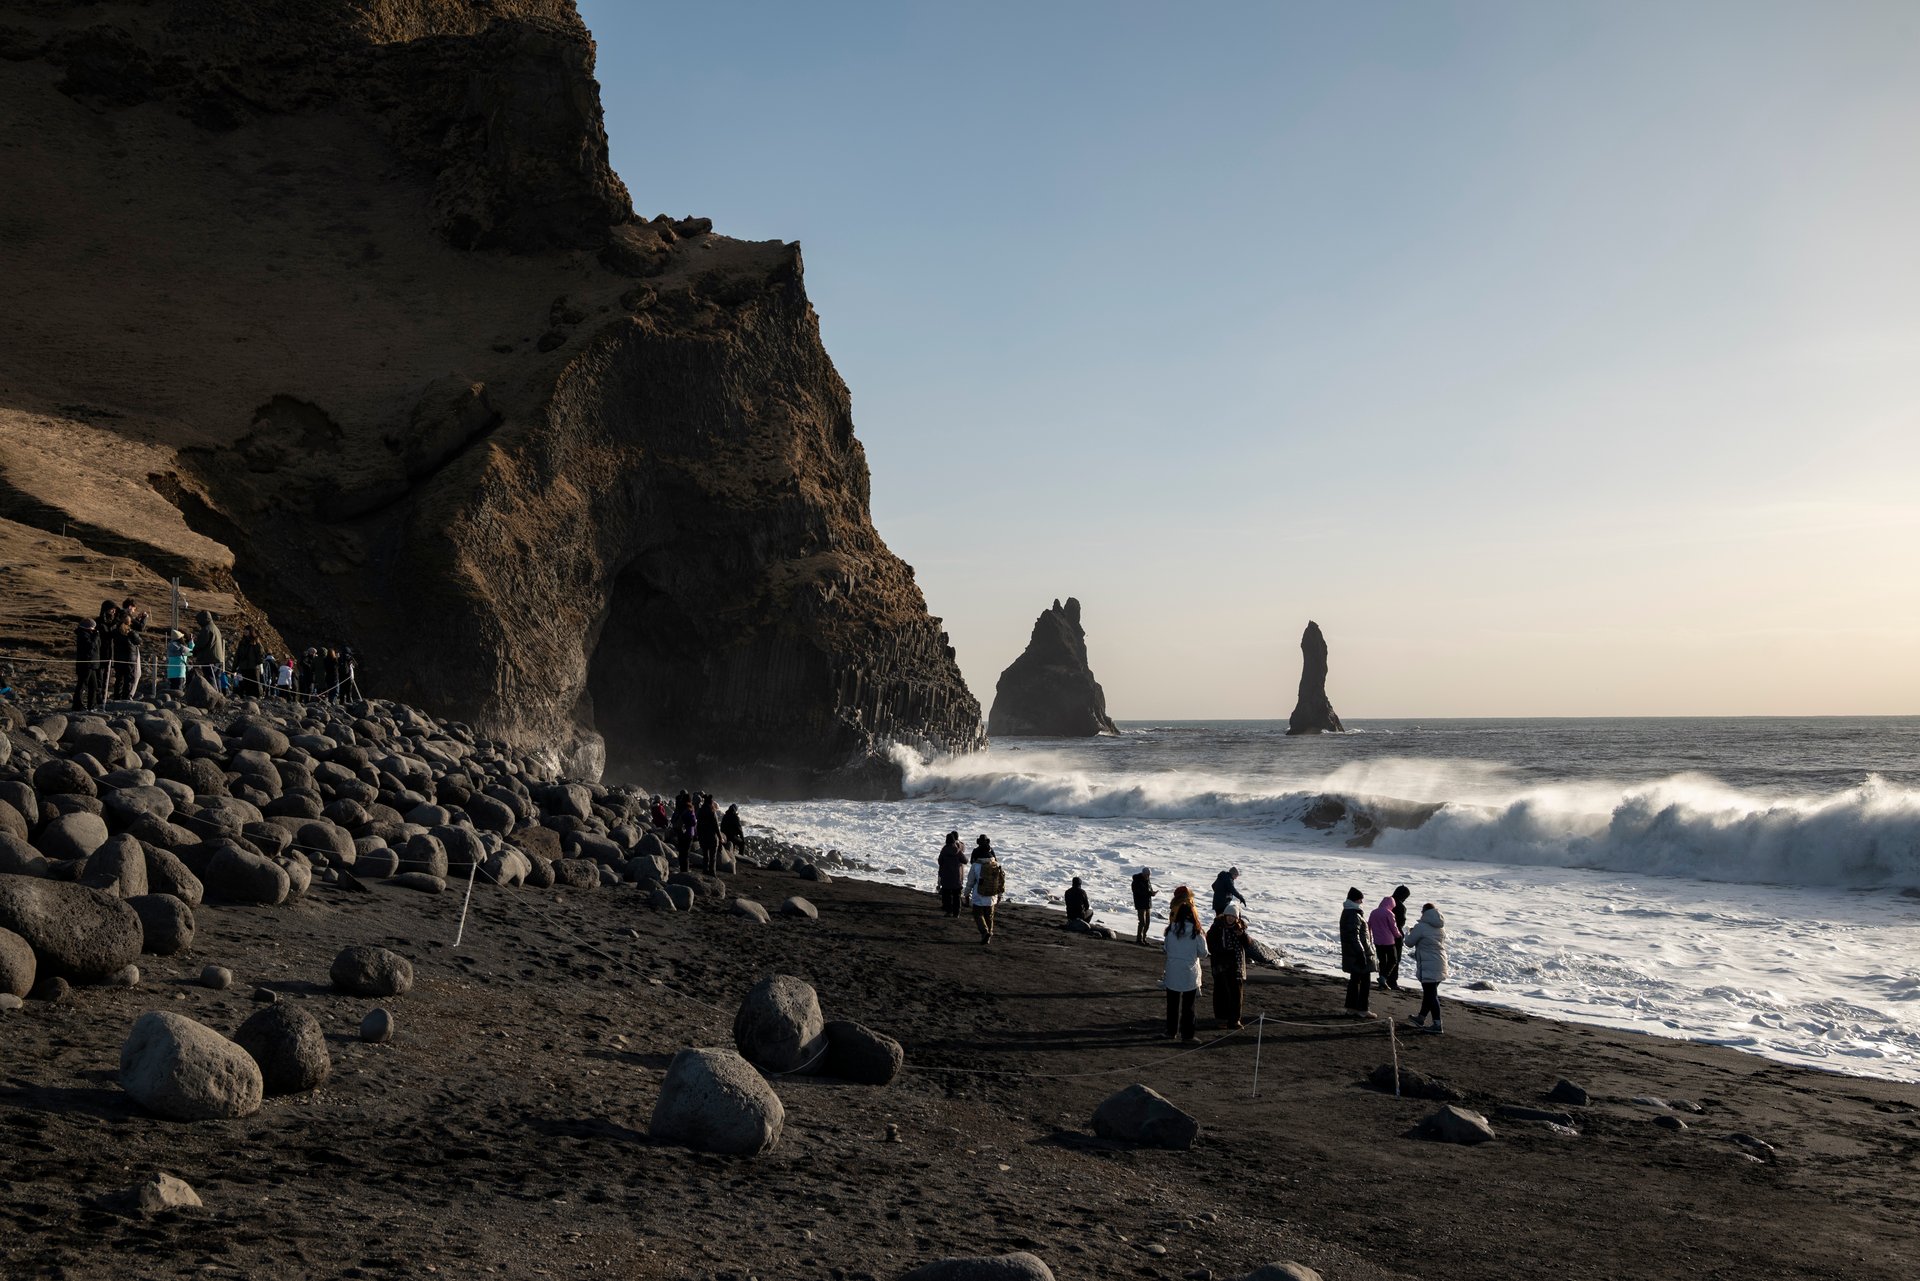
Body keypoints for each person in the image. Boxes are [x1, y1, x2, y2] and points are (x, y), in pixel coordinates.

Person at [1162, 887, 1207, 1042]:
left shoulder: (1170, 930)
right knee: (1188, 1006)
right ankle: (1187, 1035)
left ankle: (1171, 1031)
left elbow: (1166, 948)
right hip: (1189, 972)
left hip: (1172, 970)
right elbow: (1203, 952)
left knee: (1172, 1005)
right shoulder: (1196, 932)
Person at [1404, 903, 1449, 1034]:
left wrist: (1408, 933)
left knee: (1431, 994)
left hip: (1429, 964)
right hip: (1440, 962)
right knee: (1430, 993)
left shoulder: (1421, 927)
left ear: (1424, 912)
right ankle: (1421, 1018)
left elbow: (1409, 943)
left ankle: (1437, 1024)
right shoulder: (1441, 928)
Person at [1206, 902, 1252, 1028]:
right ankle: (1221, 1019)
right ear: (1225, 915)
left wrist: (1242, 935)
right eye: (1229, 916)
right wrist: (1223, 952)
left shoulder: (1240, 929)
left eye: (1233, 916)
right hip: (1220, 964)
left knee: (1236, 993)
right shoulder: (1216, 927)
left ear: (1237, 918)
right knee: (1221, 992)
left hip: (1236, 965)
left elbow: (1248, 945)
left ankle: (1234, 1020)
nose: (1231, 918)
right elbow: (1210, 944)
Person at [1339, 887, 1376, 1016]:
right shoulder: (1353, 914)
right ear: (1356, 900)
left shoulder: (1349, 912)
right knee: (1364, 982)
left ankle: (1352, 1008)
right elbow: (1354, 936)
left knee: (1355, 980)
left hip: (1353, 953)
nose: (1362, 902)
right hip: (1358, 953)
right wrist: (1361, 953)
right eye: (1360, 899)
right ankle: (1362, 1009)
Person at [963, 840, 1004, 945]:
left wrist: (966, 894)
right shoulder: (995, 864)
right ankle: (989, 934)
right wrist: (1000, 895)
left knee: (978, 914)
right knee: (989, 916)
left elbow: (970, 882)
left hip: (979, 895)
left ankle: (985, 932)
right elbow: (1000, 881)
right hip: (992, 895)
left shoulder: (976, 865)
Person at [1370, 891, 1405, 992]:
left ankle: (1382, 981)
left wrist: (1370, 937)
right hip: (1389, 941)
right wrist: (1398, 936)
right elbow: (1393, 927)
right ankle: (1384, 977)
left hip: (1377, 941)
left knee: (1382, 961)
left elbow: (1369, 925)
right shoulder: (1389, 913)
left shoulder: (1374, 912)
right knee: (1393, 960)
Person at [71, 618, 102, 711]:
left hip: (92, 663)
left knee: (93, 686)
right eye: (93, 627)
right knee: (82, 685)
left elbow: (98, 646)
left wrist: (96, 636)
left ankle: (91, 706)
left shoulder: (89, 634)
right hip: (86, 663)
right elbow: (90, 647)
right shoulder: (83, 635)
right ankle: (77, 705)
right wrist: (95, 636)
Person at [935, 831, 966, 918]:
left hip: (946, 876)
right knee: (957, 895)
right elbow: (965, 861)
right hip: (957, 875)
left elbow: (940, 862)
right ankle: (957, 913)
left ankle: (948, 911)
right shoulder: (958, 849)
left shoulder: (944, 850)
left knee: (947, 894)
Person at [191, 610, 225, 686]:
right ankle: (219, 695)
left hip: (209, 658)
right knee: (217, 678)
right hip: (218, 658)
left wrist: (194, 651)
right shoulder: (215, 628)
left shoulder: (206, 629)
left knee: (210, 678)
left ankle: (212, 696)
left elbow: (201, 644)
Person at [232, 626, 266, 700]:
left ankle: (256, 699)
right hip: (243, 667)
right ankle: (247, 700)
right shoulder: (242, 642)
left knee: (255, 685)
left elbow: (261, 653)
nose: (245, 631)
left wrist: (258, 662)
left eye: (246, 630)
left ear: (251, 631)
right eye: (244, 630)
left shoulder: (256, 641)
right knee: (245, 685)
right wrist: (234, 668)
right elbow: (237, 656)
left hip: (253, 667)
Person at [1130, 867, 1158, 946]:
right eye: (1147, 875)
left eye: (1149, 875)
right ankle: (1139, 939)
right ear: (1143, 874)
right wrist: (1150, 893)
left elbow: (1148, 891)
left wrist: (1152, 893)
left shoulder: (1148, 881)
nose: (1148, 876)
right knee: (1142, 922)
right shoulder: (1136, 881)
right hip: (1140, 904)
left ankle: (1143, 938)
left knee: (1147, 923)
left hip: (1147, 904)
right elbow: (1139, 893)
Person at [671, 791, 696, 873]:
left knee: (681, 852)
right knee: (686, 853)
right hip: (688, 833)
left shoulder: (679, 808)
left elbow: (673, 819)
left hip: (680, 832)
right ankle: (685, 871)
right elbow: (693, 822)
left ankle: (682, 869)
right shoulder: (689, 808)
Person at [696, 794, 721, 874]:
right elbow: (716, 826)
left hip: (703, 837)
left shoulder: (700, 811)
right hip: (712, 837)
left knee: (705, 856)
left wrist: (698, 836)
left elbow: (698, 825)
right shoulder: (712, 811)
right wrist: (720, 837)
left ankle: (704, 870)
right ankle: (712, 872)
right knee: (712, 857)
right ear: (711, 802)